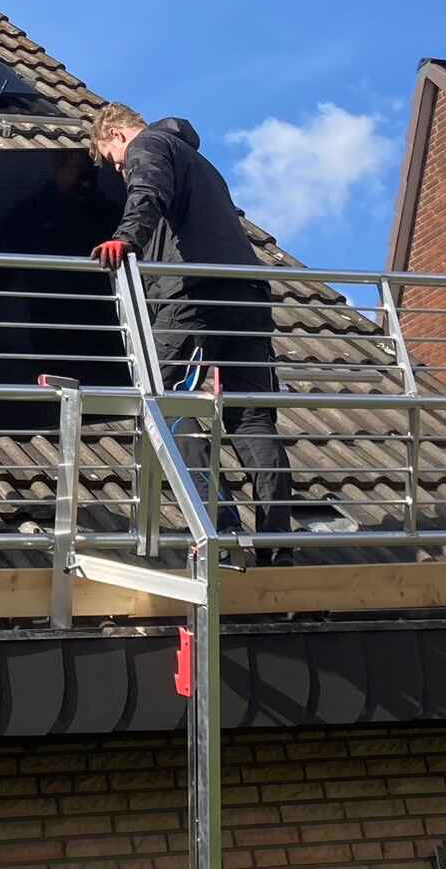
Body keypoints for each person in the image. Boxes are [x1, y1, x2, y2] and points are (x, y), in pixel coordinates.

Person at [88, 103, 296, 555]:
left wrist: (126, 239)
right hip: (246, 295)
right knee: (252, 417)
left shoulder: (147, 145)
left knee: (164, 403)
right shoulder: (202, 165)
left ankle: (218, 527)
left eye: (113, 160)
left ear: (116, 135)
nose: (119, 170)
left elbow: (147, 189)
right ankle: (277, 544)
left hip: (192, 293)